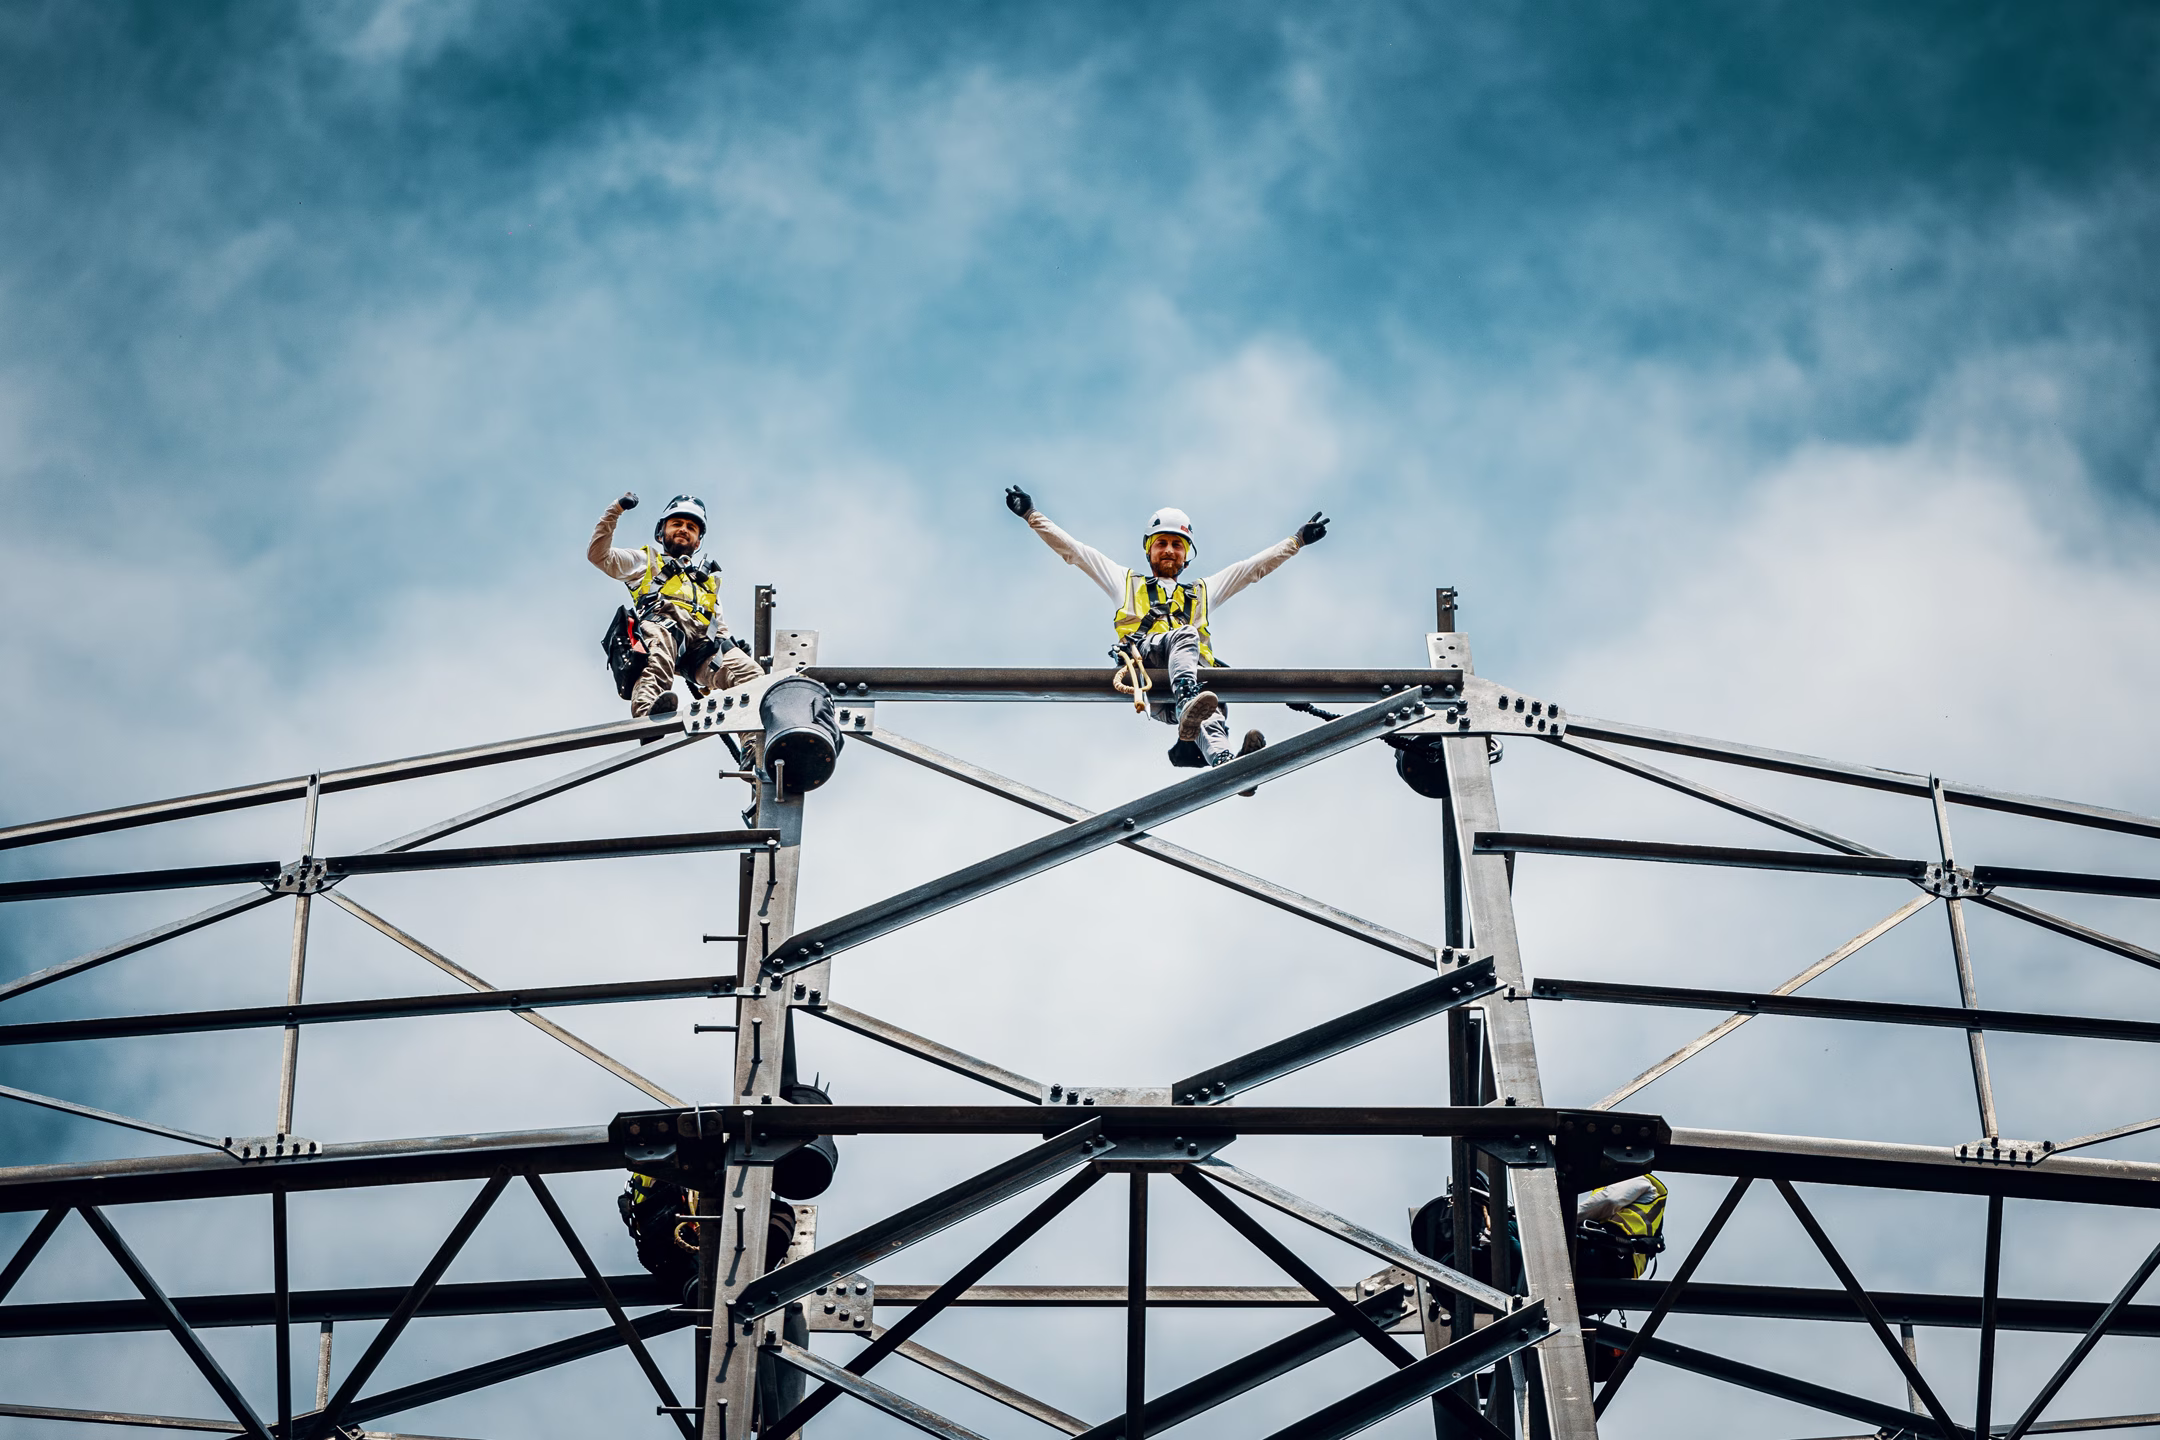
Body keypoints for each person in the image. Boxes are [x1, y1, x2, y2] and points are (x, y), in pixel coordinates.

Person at [1005, 487, 1328, 774]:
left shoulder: (1202, 592)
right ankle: (1189, 700)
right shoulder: (1126, 583)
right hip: (1146, 667)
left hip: (1181, 690)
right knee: (1185, 637)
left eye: (1177, 544)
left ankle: (1229, 766)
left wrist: (1296, 541)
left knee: (1211, 719)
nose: (1169, 550)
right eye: (1162, 543)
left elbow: (1252, 569)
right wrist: (1031, 515)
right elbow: (1076, 552)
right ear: (1149, 551)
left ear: (1186, 555)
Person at [589, 492, 762, 718]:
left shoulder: (707, 583)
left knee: (751, 675)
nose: (683, 529)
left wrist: (731, 648)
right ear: (661, 533)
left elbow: (717, 625)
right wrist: (616, 509)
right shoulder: (645, 562)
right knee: (659, 641)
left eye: (691, 527)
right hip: (663, 631)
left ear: (698, 541)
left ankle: (752, 745)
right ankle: (646, 712)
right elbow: (598, 555)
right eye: (677, 523)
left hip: (701, 650)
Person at [1575, 1173, 1668, 1282]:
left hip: (1610, 1253)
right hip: (1623, 1268)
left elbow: (1608, 1200)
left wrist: (1564, 1220)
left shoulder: (1637, 1179)